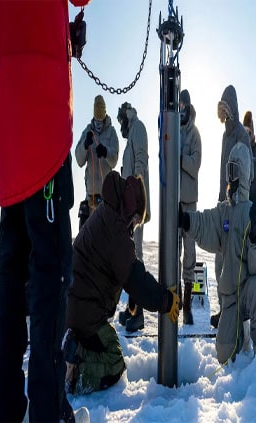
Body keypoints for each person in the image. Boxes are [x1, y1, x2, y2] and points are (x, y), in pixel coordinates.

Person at [0, 1, 89, 421]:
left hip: (6, 99)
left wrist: (61, 34)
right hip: (42, 111)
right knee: (50, 272)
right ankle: (48, 411)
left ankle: (8, 411)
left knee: (12, 269)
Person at [63, 171, 180, 394]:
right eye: (136, 219)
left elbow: (122, 270)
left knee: (111, 343)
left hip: (74, 307)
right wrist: (165, 300)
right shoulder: (116, 230)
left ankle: (70, 349)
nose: (135, 226)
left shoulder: (106, 215)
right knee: (114, 361)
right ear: (129, 206)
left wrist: (134, 295)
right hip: (84, 314)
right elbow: (136, 279)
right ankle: (73, 368)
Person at [179, 142, 256, 363]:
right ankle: (240, 333)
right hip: (230, 298)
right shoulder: (224, 211)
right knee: (224, 354)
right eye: (229, 171)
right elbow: (206, 223)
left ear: (245, 173)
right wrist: (186, 220)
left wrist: (255, 237)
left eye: (235, 171)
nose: (231, 178)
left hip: (249, 291)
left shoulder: (251, 213)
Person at [211, 85, 252, 328]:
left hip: (237, 206)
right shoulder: (225, 135)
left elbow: (247, 171)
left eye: (227, 107)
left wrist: (240, 199)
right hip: (222, 203)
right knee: (219, 261)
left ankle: (236, 312)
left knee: (235, 263)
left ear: (233, 108)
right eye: (221, 108)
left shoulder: (240, 135)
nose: (224, 112)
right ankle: (223, 309)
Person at [114, 102, 151, 333]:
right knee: (130, 257)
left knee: (135, 259)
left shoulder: (138, 128)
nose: (120, 127)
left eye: (120, 122)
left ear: (124, 117)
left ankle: (140, 314)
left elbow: (141, 165)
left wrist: (138, 206)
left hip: (136, 209)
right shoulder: (131, 136)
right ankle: (132, 308)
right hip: (130, 208)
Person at [75, 95, 119, 230]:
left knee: (105, 239)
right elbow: (78, 159)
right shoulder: (87, 131)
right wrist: (84, 145)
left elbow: (114, 160)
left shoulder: (112, 133)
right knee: (88, 239)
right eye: (97, 122)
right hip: (90, 198)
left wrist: (106, 152)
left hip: (106, 198)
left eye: (101, 121)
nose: (99, 125)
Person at [178, 89, 202, 325]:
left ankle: (187, 303)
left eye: (185, 106)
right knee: (173, 252)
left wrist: (180, 158)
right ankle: (175, 298)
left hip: (190, 203)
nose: (182, 109)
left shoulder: (195, 135)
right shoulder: (173, 131)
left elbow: (195, 165)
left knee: (190, 254)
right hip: (174, 202)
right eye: (180, 106)